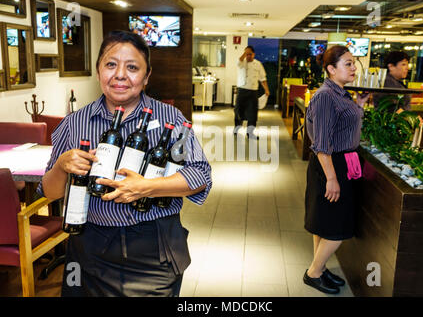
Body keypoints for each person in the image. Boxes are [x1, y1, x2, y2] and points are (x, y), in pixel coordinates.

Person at [37, 30, 212, 297]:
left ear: (146, 76)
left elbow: (200, 176)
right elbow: (50, 192)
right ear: (98, 71)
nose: (120, 75)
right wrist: (62, 166)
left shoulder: (172, 118)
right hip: (87, 247)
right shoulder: (74, 123)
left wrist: (147, 187)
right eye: (110, 64)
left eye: (132, 67)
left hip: (153, 250)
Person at [303, 45, 369, 294]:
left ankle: (318, 267)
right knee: (338, 226)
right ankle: (314, 273)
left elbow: (344, 127)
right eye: (348, 64)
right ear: (331, 69)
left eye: (353, 63)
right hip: (330, 164)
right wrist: (332, 178)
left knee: (324, 221)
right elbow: (321, 144)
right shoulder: (325, 97)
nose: (353, 68)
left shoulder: (341, 93)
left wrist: (359, 106)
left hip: (340, 162)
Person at [234, 45, 270, 140]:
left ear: (253, 54)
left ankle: (250, 133)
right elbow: (238, 63)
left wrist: (266, 89)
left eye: (250, 54)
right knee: (238, 111)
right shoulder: (242, 62)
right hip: (242, 90)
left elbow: (263, 78)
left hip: (253, 92)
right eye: (247, 54)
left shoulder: (258, 64)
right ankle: (237, 129)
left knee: (253, 113)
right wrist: (245, 53)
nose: (248, 56)